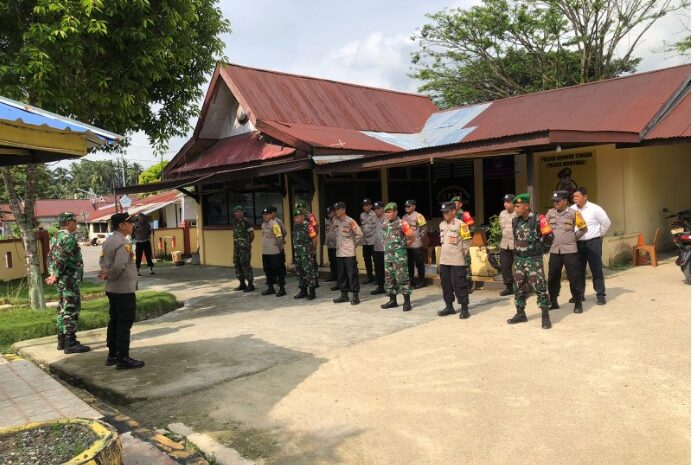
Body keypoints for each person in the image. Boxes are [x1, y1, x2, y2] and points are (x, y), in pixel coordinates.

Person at [99, 213, 144, 369]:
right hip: (123, 289)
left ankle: (112, 355)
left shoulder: (108, 241)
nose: (132, 225)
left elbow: (102, 261)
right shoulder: (122, 242)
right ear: (121, 225)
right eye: (129, 223)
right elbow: (119, 266)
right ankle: (123, 358)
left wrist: (105, 272)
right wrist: (110, 275)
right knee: (124, 323)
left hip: (112, 289)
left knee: (115, 321)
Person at [506, 193, 554, 329]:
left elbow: (550, 236)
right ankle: (520, 314)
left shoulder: (539, 219)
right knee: (519, 287)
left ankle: (545, 317)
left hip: (534, 259)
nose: (515, 209)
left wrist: (540, 250)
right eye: (515, 206)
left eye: (518, 206)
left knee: (539, 287)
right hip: (519, 259)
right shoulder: (515, 221)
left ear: (526, 206)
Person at [46, 211, 90, 354]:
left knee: (62, 308)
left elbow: (50, 257)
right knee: (71, 308)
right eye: (74, 221)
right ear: (68, 222)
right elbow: (62, 258)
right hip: (69, 279)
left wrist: (52, 274)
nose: (76, 224)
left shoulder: (55, 237)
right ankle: (70, 342)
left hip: (61, 280)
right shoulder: (68, 238)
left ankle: (62, 340)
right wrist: (56, 274)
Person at [546, 191, 588, 313]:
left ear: (565, 201)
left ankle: (578, 302)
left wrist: (573, 238)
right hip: (554, 250)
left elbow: (584, 228)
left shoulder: (574, 213)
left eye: (557, 201)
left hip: (570, 250)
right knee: (553, 276)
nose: (555, 203)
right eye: (553, 201)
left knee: (574, 277)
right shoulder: (550, 213)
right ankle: (553, 302)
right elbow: (543, 228)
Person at [571, 187, 611, 305]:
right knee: (578, 270)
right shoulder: (571, 210)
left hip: (593, 242)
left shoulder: (595, 209)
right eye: (574, 197)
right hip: (577, 243)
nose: (575, 199)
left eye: (577, 196)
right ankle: (579, 294)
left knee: (596, 269)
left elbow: (606, 223)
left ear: (585, 196)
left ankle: (600, 295)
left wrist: (600, 235)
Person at [437, 202, 473, 319]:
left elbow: (467, 242)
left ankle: (464, 308)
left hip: (457, 260)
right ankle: (449, 307)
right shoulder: (441, 224)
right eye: (443, 212)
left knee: (459, 284)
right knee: (445, 284)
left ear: (453, 211)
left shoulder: (461, 225)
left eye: (446, 212)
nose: (444, 214)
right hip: (444, 260)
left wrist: (462, 254)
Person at [380, 202, 413, 311]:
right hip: (388, 256)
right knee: (389, 279)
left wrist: (402, 248)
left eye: (389, 212)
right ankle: (392, 300)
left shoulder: (402, 223)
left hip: (399, 257)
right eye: (386, 212)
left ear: (395, 212)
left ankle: (407, 302)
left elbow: (411, 237)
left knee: (402, 278)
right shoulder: (385, 224)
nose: (387, 214)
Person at [332, 201, 364, 305]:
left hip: (349, 253)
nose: (336, 211)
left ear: (343, 210)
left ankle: (355, 296)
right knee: (341, 275)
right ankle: (344, 295)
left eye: (338, 209)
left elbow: (359, 234)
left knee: (352, 274)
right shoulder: (335, 221)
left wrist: (354, 245)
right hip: (339, 253)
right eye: (335, 209)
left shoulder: (350, 221)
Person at [451, 196, 476, 293]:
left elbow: (472, 229)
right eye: (453, 202)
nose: (455, 204)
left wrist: (467, 241)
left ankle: (469, 284)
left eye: (457, 202)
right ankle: (458, 284)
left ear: (460, 204)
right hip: (453, 243)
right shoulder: (450, 214)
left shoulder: (465, 214)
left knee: (466, 264)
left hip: (463, 243)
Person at [292, 208, 318, 300]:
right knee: (300, 272)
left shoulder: (308, 226)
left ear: (303, 217)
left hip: (307, 253)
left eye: (298, 217)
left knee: (309, 272)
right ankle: (303, 291)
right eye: (295, 217)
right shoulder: (295, 226)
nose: (296, 219)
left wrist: (312, 249)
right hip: (298, 253)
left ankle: (312, 292)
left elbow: (314, 239)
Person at [261, 207, 286, 297]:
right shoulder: (263, 225)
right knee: (267, 270)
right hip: (265, 252)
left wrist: (280, 248)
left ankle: (282, 289)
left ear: (271, 215)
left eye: (267, 214)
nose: (265, 216)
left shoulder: (274, 224)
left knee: (278, 271)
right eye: (264, 214)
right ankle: (270, 288)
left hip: (274, 252)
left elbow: (279, 238)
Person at [402, 199, 427, 289]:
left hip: (416, 243)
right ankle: (411, 281)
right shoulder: (404, 217)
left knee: (419, 263)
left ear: (414, 207)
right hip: (407, 244)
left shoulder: (419, 216)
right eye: (406, 206)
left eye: (408, 206)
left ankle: (421, 281)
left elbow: (424, 228)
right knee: (409, 264)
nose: (406, 208)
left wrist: (419, 237)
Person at [232, 205, 255, 292]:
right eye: (236, 212)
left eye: (239, 211)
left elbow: (252, 234)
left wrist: (247, 243)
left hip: (244, 249)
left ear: (242, 212)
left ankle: (250, 284)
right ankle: (242, 283)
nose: (237, 213)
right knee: (237, 265)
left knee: (245, 265)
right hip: (236, 248)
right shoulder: (235, 223)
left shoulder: (246, 222)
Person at [498, 194, 516, 296]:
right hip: (505, 244)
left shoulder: (517, 213)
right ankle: (509, 287)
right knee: (504, 266)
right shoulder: (502, 214)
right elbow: (502, 228)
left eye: (508, 202)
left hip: (516, 244)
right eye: (504, 202)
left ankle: (523, 287)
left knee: (520, 267)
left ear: (513, 203)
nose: (505, 204)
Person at [370, 201, 386, 295]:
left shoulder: (387, 217)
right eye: (375, 209)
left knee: (388, 269)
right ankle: (380, 287)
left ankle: (391, 287)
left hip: (386, 248)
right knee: (378, 268)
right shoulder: (373, 218)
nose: (376, 210)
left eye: (378, 208)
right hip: (376, 247)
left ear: (383, 208)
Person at [324, 206, 338, 284]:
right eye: (328, 213)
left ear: (334, 212)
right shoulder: (327, 221)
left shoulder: (337, 221)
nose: (329, 214)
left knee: (337, 262)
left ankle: (338, 276)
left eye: (330, 213)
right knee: (331, 261)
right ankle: (333, 275)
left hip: (336, 245)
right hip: (330, 245)